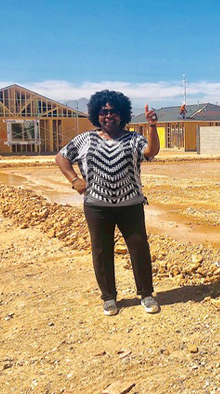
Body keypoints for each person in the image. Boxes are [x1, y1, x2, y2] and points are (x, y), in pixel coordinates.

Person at [55, 90, 160, 316]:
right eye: (104, 111)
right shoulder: (85, 139)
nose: (109, 115)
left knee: (139, 248)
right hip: (97, 206)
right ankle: (109, 298)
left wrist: (152, 126)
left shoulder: (133, 139)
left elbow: (150, 152)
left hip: (130, 205)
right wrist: (74, 180)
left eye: (114, 111)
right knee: (101, 251)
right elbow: (61, 156)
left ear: (122, 114)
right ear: (96, 114)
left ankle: (146, 294)